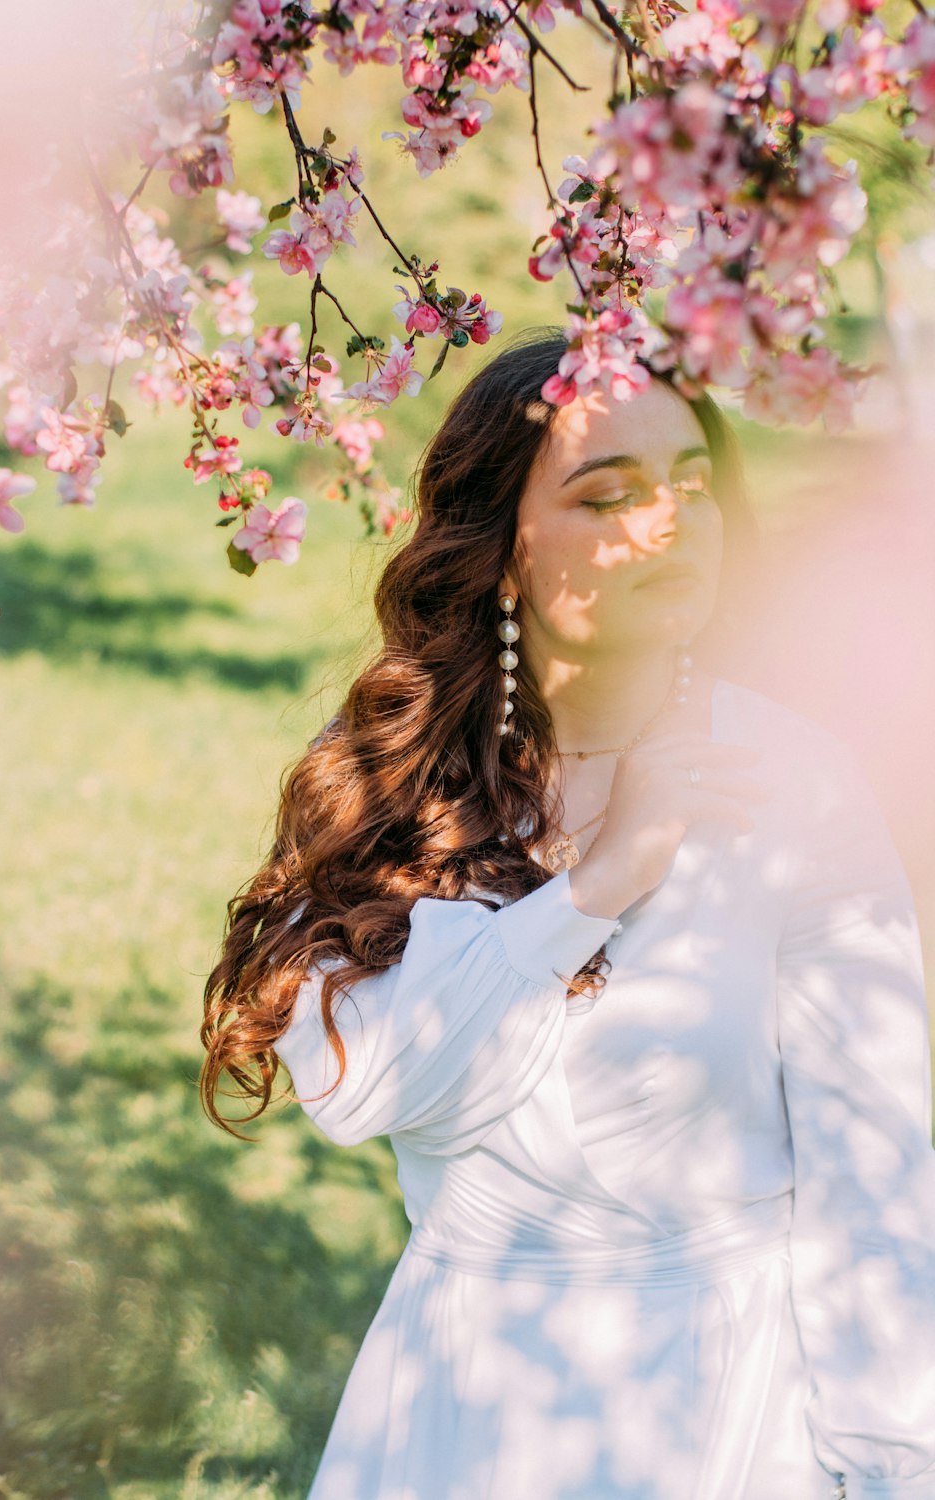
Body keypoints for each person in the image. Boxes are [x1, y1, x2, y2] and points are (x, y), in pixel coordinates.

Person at [200, 330, 935, 1500]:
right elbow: (369, 1090)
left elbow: (875, 1162)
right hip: (467, 1392)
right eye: (611, 494)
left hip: (730, 1403)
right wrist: (599, 883)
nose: (669, 521)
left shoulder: (795, 782)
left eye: (693, 483)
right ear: (501, 548)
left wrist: (887, 1460)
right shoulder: (398, 780)